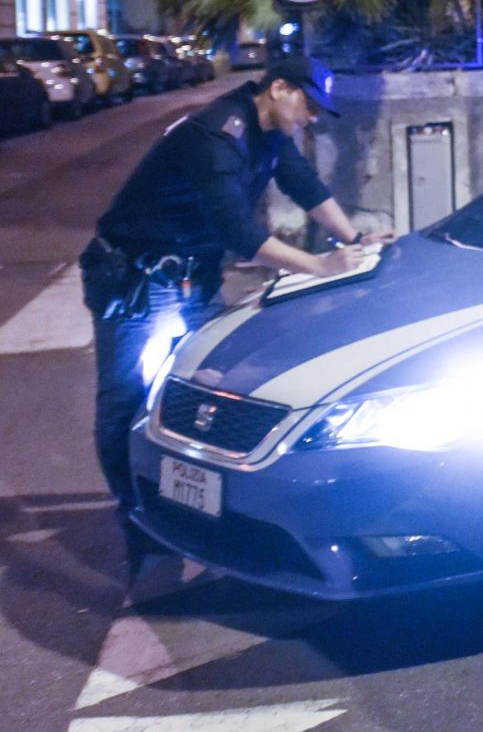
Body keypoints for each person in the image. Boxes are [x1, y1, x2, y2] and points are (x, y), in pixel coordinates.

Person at [82, 55, 390, 570]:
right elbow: (238, 233)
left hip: (190, 274)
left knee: (210, 385)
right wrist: (318, 265)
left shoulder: (269, 135)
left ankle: (195, 496)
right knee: (124, 396)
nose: (311, 117)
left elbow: (305, 186)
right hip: (134, 275)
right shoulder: (214, 137)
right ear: (279, 89)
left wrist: (356, 239)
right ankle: (135, 513)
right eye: (308, 105)